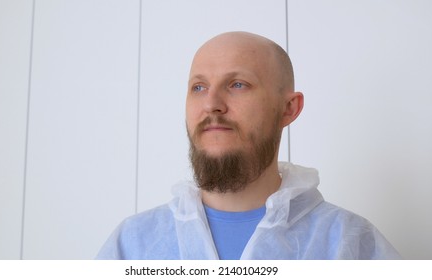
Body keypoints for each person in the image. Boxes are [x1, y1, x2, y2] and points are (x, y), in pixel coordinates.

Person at [96, 31, 400, 259]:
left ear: (289, 109)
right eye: (198, 87)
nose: (211, 104)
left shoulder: (350, 247)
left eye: (237, 84)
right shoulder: (132, 246)